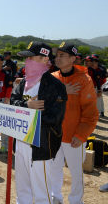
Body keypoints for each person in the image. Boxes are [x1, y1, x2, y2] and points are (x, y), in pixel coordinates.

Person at [10, 41, 67, 204]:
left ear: (44, 59)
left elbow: (56, 118)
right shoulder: (23, 82)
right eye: (26, 59)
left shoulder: (55, 86)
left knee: (42, 192)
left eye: (31, 58)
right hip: (21, 143)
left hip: (40, 145)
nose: (27, 62)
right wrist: (26, 106)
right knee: (22, 187)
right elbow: (13, 103)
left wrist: (32, 116)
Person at [51, 43, 98, 204]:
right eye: (57, 55)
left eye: (62, 55)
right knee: (54, 169)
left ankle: (76, 201)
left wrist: (81, 135)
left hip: (74, 137)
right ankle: (55, 197)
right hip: (55, 134)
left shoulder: (84, 80)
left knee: (76, 173)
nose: (57, 58)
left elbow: (90, 113)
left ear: (73, 59)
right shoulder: (53, 77)